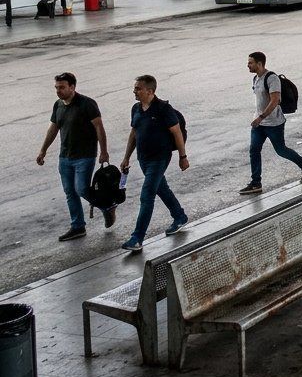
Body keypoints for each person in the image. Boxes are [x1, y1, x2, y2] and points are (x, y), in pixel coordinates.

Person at [37, 72, 112, 241]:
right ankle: (78, 226)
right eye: (56, 88)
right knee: (70, 192)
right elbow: (53, 129)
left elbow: (99, 128)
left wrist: (104, 151)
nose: (58, 91)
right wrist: (43, 150)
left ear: (72, 87)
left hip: (84, 156)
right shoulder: (58, 105)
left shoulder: (87, 104)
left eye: (62, 87)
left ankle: (106, 205)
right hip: (65, 157)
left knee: (82, 189)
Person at [119, 75, 189, 252]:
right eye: (135, 88)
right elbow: (134, 133)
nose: (134, 91)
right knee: (161, 188)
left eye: (138, 88)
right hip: (143, 158)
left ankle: (137, 238)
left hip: (159, 158)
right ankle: (179, 216)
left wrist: (183, 156)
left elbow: (177, 132)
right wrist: (126, 157)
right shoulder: (136, 108)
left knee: (147, 194)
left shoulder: (163, 109)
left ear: (150, 91)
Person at [240, 52, 302, 196]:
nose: (248, 65)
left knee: (281, 150)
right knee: (254, 150)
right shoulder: (255, 78)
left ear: (259, 64)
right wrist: (258, 119)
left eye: (250, 63)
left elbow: (275, 101)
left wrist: (261, 117)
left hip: (273, 123)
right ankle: (256, 183)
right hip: (259, 123)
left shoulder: (272, 78)